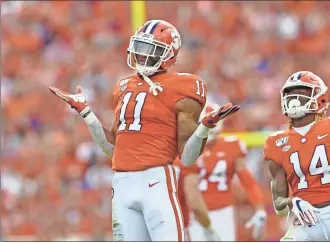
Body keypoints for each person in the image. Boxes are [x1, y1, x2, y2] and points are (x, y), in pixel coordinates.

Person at [49, 19, 239, 241]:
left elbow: (187, 158)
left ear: (170, 54)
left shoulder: (185, 86)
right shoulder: (123, 85)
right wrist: (87, 114)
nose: (141, 54)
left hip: (156, 181)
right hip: (122, 183)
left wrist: (204, 127)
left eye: (151, 49)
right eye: (139, 47)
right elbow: (114, 149)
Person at [265, 71, 330, 241]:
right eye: (290, 94)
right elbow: (279, 204)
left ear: (320, 99)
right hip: (306, 219)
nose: (294, 98)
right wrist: (292, 202)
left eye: (302, 93)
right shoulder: (276, 142)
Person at [182, 104, 267, 241]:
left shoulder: (231, 145)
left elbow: (248, 181)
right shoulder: (187, 149)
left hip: (223, 211)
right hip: (194, 213)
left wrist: (259, 208)